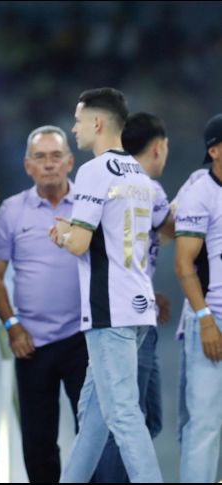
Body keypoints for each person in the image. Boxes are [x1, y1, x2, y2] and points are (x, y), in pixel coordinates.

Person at [50, 87, 166, 482]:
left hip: (108, 310)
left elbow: (80, 243)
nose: (74, 128)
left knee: (123, 414)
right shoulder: (138, 173)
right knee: (95, 420)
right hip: (138, 306)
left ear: (97, 123)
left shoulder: (94, 171)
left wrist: (62, 234)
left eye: (79, 120)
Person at [0, 125, 86, 483]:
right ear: (28, 166)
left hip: (84, 338)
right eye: (40, 157)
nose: (49, 165)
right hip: (33, 342)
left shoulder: (89, 208)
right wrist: (12, 326)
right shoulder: (12, 212)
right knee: (39, 442)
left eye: (56, 156)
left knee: (93, 435)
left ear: (70, 162)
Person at [93, 112, 173, 482]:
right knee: (125, 421)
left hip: (131, 309)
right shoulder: (147, 188)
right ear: (158, 147)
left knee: (136, 417)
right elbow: (175, 227)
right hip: (125, 316)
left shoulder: (114, 180)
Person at [174, 113, 222, 483]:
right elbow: (184, 263)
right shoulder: (200, 192)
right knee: (204, 424)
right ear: (215, 150)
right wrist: (205, 320)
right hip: (214, 320)